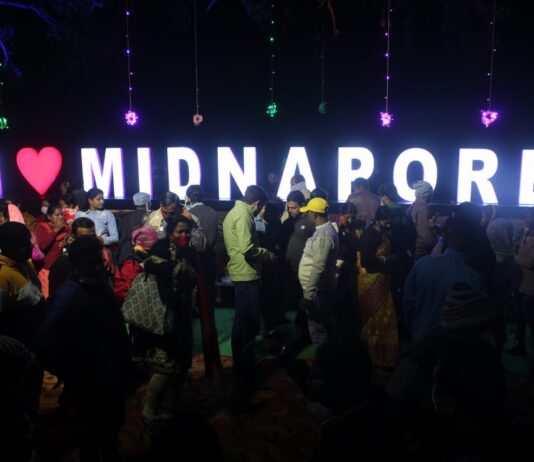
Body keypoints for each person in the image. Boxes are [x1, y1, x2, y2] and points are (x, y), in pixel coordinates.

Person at [34, 235, 131, 462]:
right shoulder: (67, 295)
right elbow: (43, 342)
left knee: (111, 429)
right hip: (88, 377)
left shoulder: (99, 285)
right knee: (91, 434)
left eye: (97, 258)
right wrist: (70, 371)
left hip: (112, 371)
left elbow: (116, 325)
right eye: (90, 259)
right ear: (76, 263)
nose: (96, 264)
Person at [141, 215, 208, 428]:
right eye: (180, 231)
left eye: (187, 231)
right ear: (170, 233)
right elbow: (149, 264)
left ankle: (172, 406)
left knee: (182, 364)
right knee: (164, 366)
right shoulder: (161, 248)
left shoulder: (190, 251)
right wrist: (177, 269)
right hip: (164, 315)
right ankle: (149, 411)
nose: (184, 235)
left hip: (184, 314)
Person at [403, 213, 483, 343]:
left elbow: (408, 302)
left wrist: (413, 326)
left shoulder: (422, 264)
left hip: (419, 337)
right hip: (452, 345)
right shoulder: (472, 277)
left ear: (446, 235)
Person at [222, 185, 274, 381]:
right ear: (258, 203)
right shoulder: (244, 215)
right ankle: (245, 369)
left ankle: (243, 366)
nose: (261, 211)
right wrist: (266, 254)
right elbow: (247, 248)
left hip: (240, 272)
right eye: (262, 207)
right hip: (246, 274)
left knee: (243, 321)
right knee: (247, 324)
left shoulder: (233, 212)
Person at [358, 206, 398, 368]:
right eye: (385, 223)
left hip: (382, 281)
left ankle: (381, 354)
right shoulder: (371, 235)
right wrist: (386, 259)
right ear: (377, 220)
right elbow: (366, 261)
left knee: (383, 318)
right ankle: (371, 353)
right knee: (373, 317)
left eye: (389, 223)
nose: (388, 225)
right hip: (371, 281)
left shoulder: (381, 232)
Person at [298, 197, 339, 349]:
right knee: (322, 326)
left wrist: (308, 296)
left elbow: (318, 267)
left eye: (308, 212)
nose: (307, 215)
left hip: (319, 291)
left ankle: (324, 360)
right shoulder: (325, 232)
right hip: (319, 289)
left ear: (314, 214)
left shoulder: (323, 235)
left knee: (319, 329)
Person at [0, 222, 43, 346]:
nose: (31, 246)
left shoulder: (24, 263)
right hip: (21, 343)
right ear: (16, 248)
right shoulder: (3, 276)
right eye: (27, 244)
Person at [281, 190, 315, 343]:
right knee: (296, 301)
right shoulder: (288, 222)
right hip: (290, 269)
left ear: (302, 205)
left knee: (305, 301)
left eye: (293, 207)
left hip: (305, 271)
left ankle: (305, 333)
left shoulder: (309, 221)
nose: (290, 210)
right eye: (288, 207)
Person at [186, 185, 219, 311]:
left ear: (189, 197)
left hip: (193, 258)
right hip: (210, 258)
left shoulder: (188, 214)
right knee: (208, 291)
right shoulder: (213, 212)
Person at [48, 217, 96, 298]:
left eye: (92, 237)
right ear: (73, 238)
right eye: (84, 238)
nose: (89, 242)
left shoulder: (98, 256)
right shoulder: (64, 261)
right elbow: (56, 293)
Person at [509, 207, 534, 356]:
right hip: (520, 283)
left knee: (531, 320)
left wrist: (515, 257)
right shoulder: (525, 233)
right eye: (526, 216)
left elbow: (530, 262)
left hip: (530, 286)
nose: (526, 219)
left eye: (529, 216)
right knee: (521, 318)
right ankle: (520, 345)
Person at [114, 226, 158, 304]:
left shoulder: (142, 256)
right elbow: (135, 289)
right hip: (129, 301)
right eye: (151, 249)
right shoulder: (131, 264)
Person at [35, 204, 70, 299]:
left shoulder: (66, 228)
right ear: (49, 216)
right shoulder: (42, 227)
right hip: (47, 269)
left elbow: (67, 246)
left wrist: (66, 245)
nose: (60, 217)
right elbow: (42, 245)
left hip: (62, 269)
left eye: (62, 214)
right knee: (48, 297)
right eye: (57, 215)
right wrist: (55, 230)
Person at [117, 192, 151, 265]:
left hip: (126, 255)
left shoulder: (126, 218)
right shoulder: (151, 217)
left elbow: (121, 237)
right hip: (144, 256)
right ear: (147, 204)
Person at [406, 180, 437, 259]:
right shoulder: (423, 209)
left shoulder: (413, 206)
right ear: (425, 194)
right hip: (420, 252)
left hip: (412, 249)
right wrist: (436, 242)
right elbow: (425, 236)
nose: (432, 195)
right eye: (431, 192)